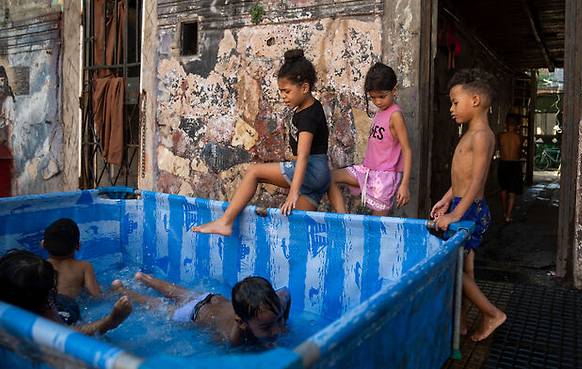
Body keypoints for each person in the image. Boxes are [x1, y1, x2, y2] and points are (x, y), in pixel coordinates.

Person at [193, 49, 330, 235]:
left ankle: (225, 222)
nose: (283, 97)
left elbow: (304, 157)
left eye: (287, 91)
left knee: (254, 172)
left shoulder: (307, 118)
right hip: (319, 175)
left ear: (304, 88)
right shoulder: (312, 108)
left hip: (309, 170)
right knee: (297, 231)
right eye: (281, 91)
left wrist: (293, 192)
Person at [431, 69, 507, 342]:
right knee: (465, 271)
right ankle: (461, 323)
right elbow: (461, 178)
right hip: (463, 203)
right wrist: (447, 197)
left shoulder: (482, 136)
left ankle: (491, 314)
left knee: (454, 266)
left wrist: (455, 214)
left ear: (475, 100)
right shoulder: (469, 133)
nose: (451, 108)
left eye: (455, 101)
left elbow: (476, 181)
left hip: (470, 208)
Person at [111, 273, 290, 347]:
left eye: (279, 319)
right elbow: (215, 339)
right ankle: (124, 291)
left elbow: (285, 293)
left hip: (211, 298)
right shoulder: (234, 337)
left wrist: (282, 319)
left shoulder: (273, 307)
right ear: (242, 324)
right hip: (192, 313)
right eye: (267, 327)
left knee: (175, 291)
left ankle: (143, 278)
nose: (277, 329)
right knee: (158, 306)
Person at [328, 62, 412, 215]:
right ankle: (344, 219)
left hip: (385, 178)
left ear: (394, 91)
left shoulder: (395, 115)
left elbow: (407, 150)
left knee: (377, 224)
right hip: (367, 171)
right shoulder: (380, 112)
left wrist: (404, 184)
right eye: (373, 97)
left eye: (382, 96)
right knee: (328, 177)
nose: (378, 101)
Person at [0, 249, 132, 335]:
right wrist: (111, 320)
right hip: (68, 308)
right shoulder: (47, 310)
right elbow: (69, 333)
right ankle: (119, 289)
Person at [42, 218, 102, 324]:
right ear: (78, 246)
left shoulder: (40, 266)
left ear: (43, 244)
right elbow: (96, 295)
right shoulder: (84, 266)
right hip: (68, 308)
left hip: (47, 309)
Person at [497, 114, 523, 223]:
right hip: (515, 165)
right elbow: (519, 151)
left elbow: (500, 147)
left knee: (503, 189)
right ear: (517, 125)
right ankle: (508, 215)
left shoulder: (500, 136)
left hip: (503, 163)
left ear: (506, 124)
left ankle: (503, 212)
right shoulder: (519, 137)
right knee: (512, 192)